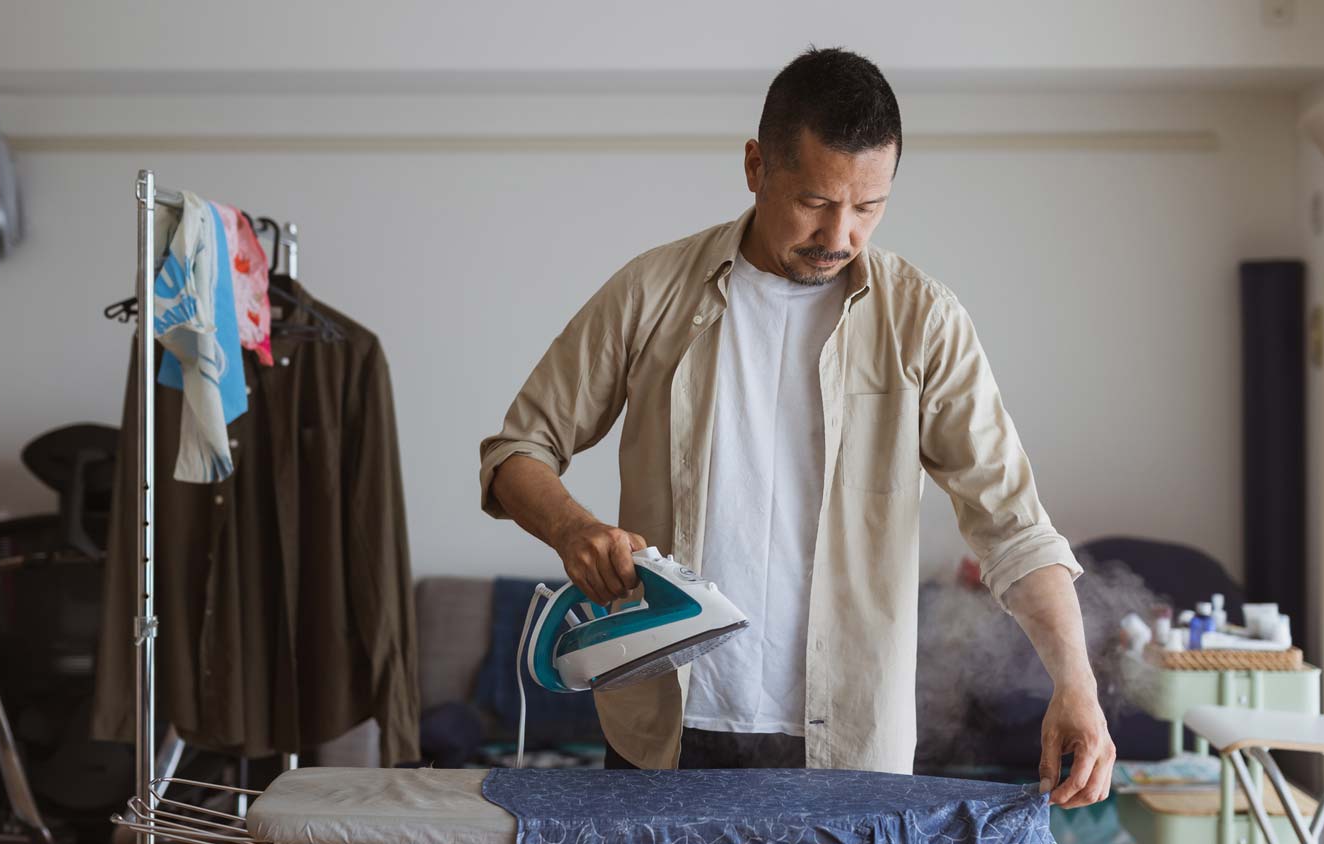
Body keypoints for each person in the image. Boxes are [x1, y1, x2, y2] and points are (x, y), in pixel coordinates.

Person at [478, 46, 1115, 808]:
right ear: (756, 166)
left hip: (848, 743)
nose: (840, 233)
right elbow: (517, 451)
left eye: (868, 207)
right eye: (815, 200)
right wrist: (575, 529)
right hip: (662, 731)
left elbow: (1013, 525)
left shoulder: (923, 321)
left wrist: (1076, 685)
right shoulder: (651, 293)